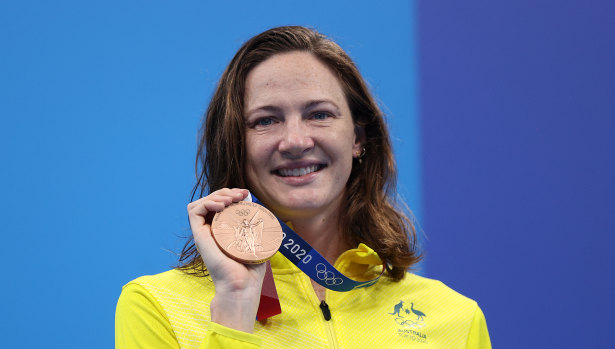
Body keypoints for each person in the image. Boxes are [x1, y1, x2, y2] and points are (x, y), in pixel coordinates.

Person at [115, 26, 491, 348]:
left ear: (358, 138)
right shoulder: (159, 306)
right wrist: (234, 304)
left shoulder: (455, 319)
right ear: (236, 144)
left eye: (320, 114)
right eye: (265, 120)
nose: (295, 140)